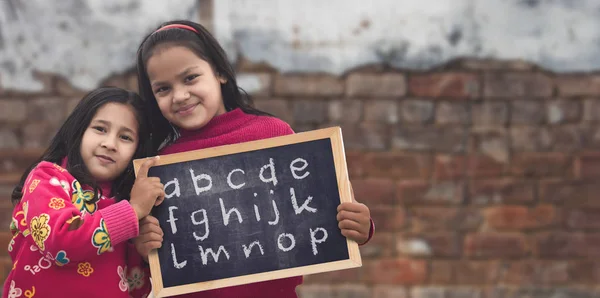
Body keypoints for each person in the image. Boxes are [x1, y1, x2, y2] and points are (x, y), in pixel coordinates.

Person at [133, 20, 375, 298]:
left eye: (190, 78)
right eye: (163, 89)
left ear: (220, 73)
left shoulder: (273, 134)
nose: (180, 95)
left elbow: (320, 214)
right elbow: (153, 263)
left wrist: (360, 225)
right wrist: (142, 246)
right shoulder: (160, 166)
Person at [3, 87, 166, 298]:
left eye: (125, 137)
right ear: (78, 130)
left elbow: (135, 289)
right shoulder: (47, 179)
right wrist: (134, 210)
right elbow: (62, 242)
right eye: (100, 129)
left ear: (137, 150)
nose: (110, 144)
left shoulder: (125, 201)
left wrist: (143, 255)